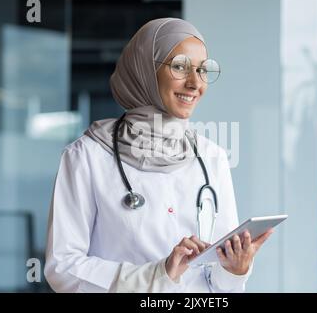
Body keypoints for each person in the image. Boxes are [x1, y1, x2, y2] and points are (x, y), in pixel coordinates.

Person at [44, 17, 273, 293]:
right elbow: (63, 267)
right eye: (179, 67)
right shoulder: (87, 157)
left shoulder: (212, 158)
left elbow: (216, 282)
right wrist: (156, 275)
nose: (194, 83)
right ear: (144, 70)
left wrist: (235, 270)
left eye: (202, 70)